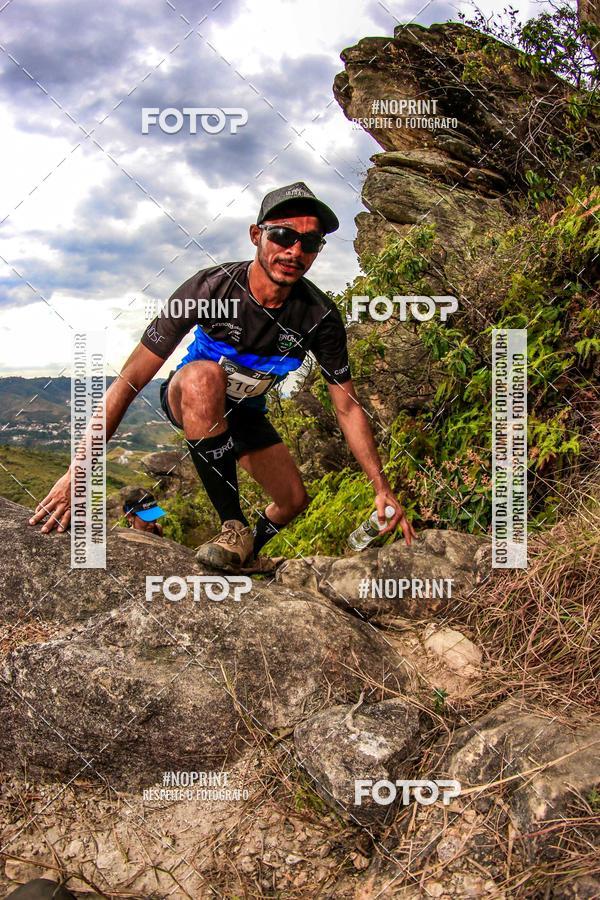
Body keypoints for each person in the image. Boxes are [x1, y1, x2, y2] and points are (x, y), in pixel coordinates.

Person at [29, 181, 416, 569]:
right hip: (190, 393)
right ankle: (233, 525)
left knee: (294, 500)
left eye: (310, 243)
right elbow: (130, 380)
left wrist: (381, 487)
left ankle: (246, 552)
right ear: (256, 235)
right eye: (283, 235)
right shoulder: (209, 288)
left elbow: (347, 408)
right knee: (204, 376)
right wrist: (77, 474)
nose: (294, 251)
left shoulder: (319, 317)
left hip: (246, 412)